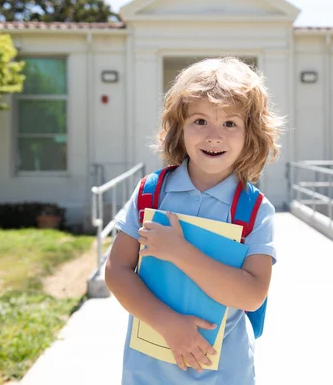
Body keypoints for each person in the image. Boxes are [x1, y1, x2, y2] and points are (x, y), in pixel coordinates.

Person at [105, 56, 284, 385]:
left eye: (230, 124)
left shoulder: (255, 210)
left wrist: (179, 251)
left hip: (226, 372)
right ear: (179, 128)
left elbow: (252, 294)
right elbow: (117, 270)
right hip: (149, 370)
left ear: (251, 134)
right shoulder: (151, 193)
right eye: (200, 121)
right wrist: (168, 323)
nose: (214, 136)